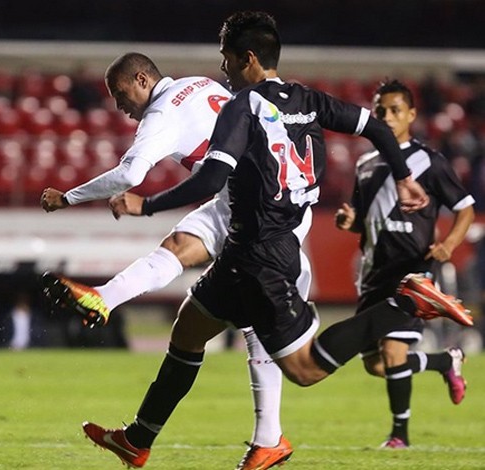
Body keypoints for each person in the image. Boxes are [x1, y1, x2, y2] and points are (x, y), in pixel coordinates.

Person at [77, 11, 473, 468]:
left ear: (247, 59)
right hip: (252, 246)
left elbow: (210, 181)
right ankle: (139, 438)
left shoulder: (242, 107)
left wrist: (142, 205)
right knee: (188, 329)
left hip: (264, 251)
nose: (222, 71)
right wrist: (403, 176)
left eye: (226, 61)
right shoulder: (308, 98)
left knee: (304, 368)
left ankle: (404, 303)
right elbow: (375, 127)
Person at [40, 52, 301, 467]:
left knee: (276, 339)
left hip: (261, 214)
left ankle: (270, 438)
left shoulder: (161, 113)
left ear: (142, 79)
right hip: (258, 195)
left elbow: (130, 176)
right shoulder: (200, 84)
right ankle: (106, 303)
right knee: (184, 263)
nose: (119, 106)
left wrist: (68, 197)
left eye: (121, 93)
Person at [334, 79, 475, 448]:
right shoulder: (365, 164)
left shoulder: (428, 160)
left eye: (395, 110)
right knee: (376, 364)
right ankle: (446, 362)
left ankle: (400, 436)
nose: (386, 116)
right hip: (373, 272)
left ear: (411, 114)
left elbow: (465, 209)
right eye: (380, 110)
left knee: (394, 353)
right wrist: (350, 221)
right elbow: (361, 219)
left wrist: (447, 244)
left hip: (412, 273)